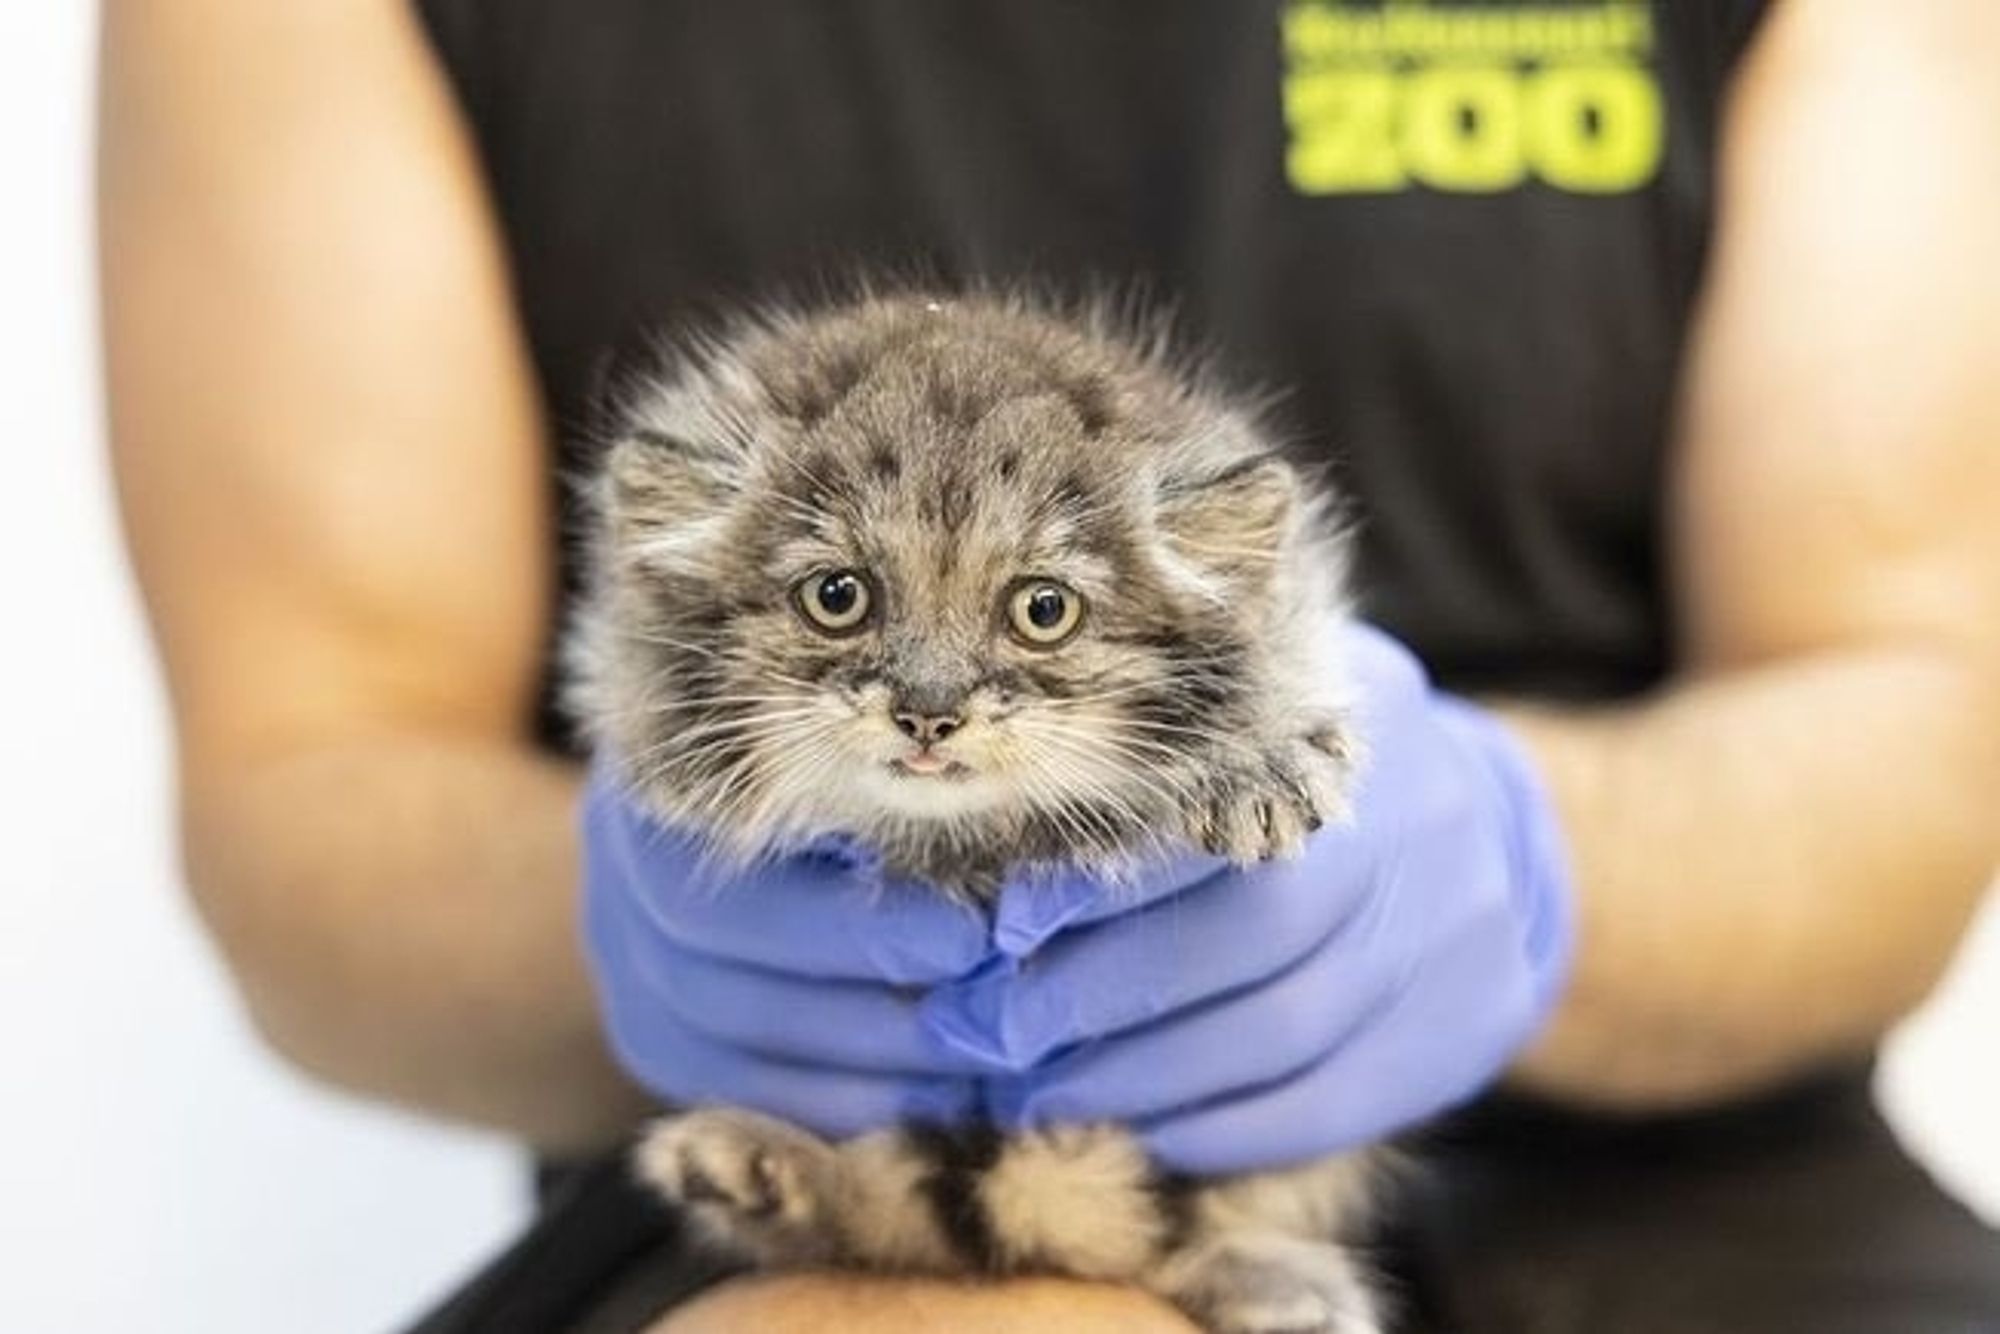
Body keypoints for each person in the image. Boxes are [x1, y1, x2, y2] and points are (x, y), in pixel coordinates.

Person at [100, 1, 2000, 1330]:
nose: (929, 700)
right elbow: (306, 770)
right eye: (847, 611)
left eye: (1018, 622)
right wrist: (634, 925)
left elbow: (1921, 715)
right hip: (790, 1173)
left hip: (1708, 1193)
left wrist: (1523, 861)